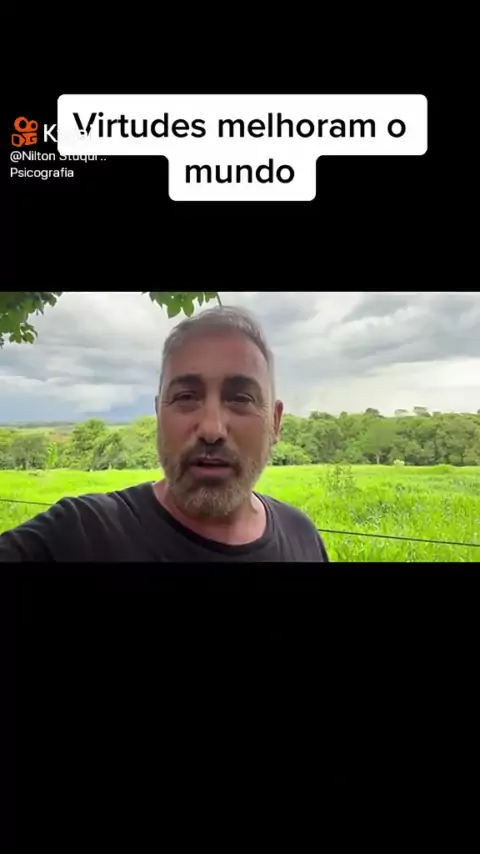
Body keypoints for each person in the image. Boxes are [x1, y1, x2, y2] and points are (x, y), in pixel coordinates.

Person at [0, 306, 329, 562]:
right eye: (186, 396)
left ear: (275, 422)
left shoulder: (302, 537)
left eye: (241, 398)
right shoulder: (80, 534)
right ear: (159, 414)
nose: (211, 429)